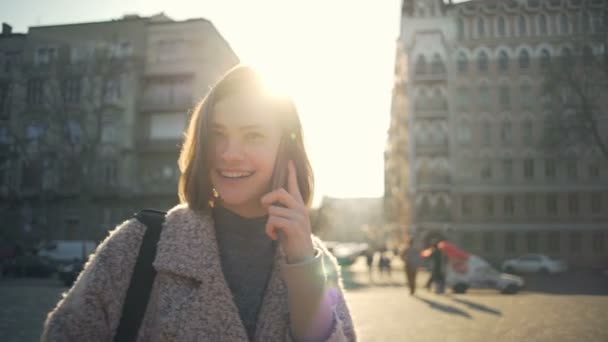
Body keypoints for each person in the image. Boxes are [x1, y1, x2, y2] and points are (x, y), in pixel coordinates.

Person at [41, 66, 356, 341]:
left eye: (254, 136)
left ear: (285, 151)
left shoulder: (317, 263)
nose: (229, 153)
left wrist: (302, 262)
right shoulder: (139, 244)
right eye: (217, 134)